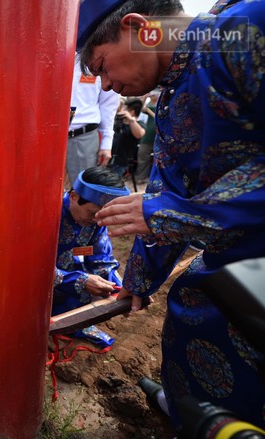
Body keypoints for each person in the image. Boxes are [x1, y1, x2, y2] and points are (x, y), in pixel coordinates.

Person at [79, 0, 265, 429]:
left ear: (138, 27)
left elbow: (168, 207)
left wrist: (172, 214)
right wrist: (137, 283)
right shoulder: (172, 99)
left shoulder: (243, 30)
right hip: (238, 255)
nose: (105, 86)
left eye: (103, 66)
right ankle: (192, 413)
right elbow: (166, 194)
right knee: (192, 303)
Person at [53, 167, 130, 347]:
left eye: (104, 215)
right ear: (74, 197)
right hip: (32, 278)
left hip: (68, 273)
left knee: (86, 281)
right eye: (93, 213)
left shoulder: (96, 221)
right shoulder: (46, 214)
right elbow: (30, 267)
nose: (98, 220)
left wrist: (121, 290)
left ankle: (72, 322)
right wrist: (81, 280)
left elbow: (101, 259)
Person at [67, 57, 120, 185]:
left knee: (82, 189)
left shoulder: (100, 60)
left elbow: (108, 106)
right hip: (46, 134)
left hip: (83, 137)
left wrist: (106, 143)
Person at [109, 98, 145, 178]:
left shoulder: (138, 124)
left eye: (124, 109)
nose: (121, 111)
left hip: (121, 162)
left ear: (132, 112)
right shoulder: (119, 122)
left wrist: (131, 120)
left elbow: (140, 134)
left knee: (111, 184)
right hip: (109, 158)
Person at [134, 91, 158, 184]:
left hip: (159, 138)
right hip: (147, 138)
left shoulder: (162, 105)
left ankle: (155, 180)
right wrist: (144, 97)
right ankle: (140, 178)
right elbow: (141, 108)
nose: (156, 95)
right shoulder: (148, 106)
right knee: (143, 158)